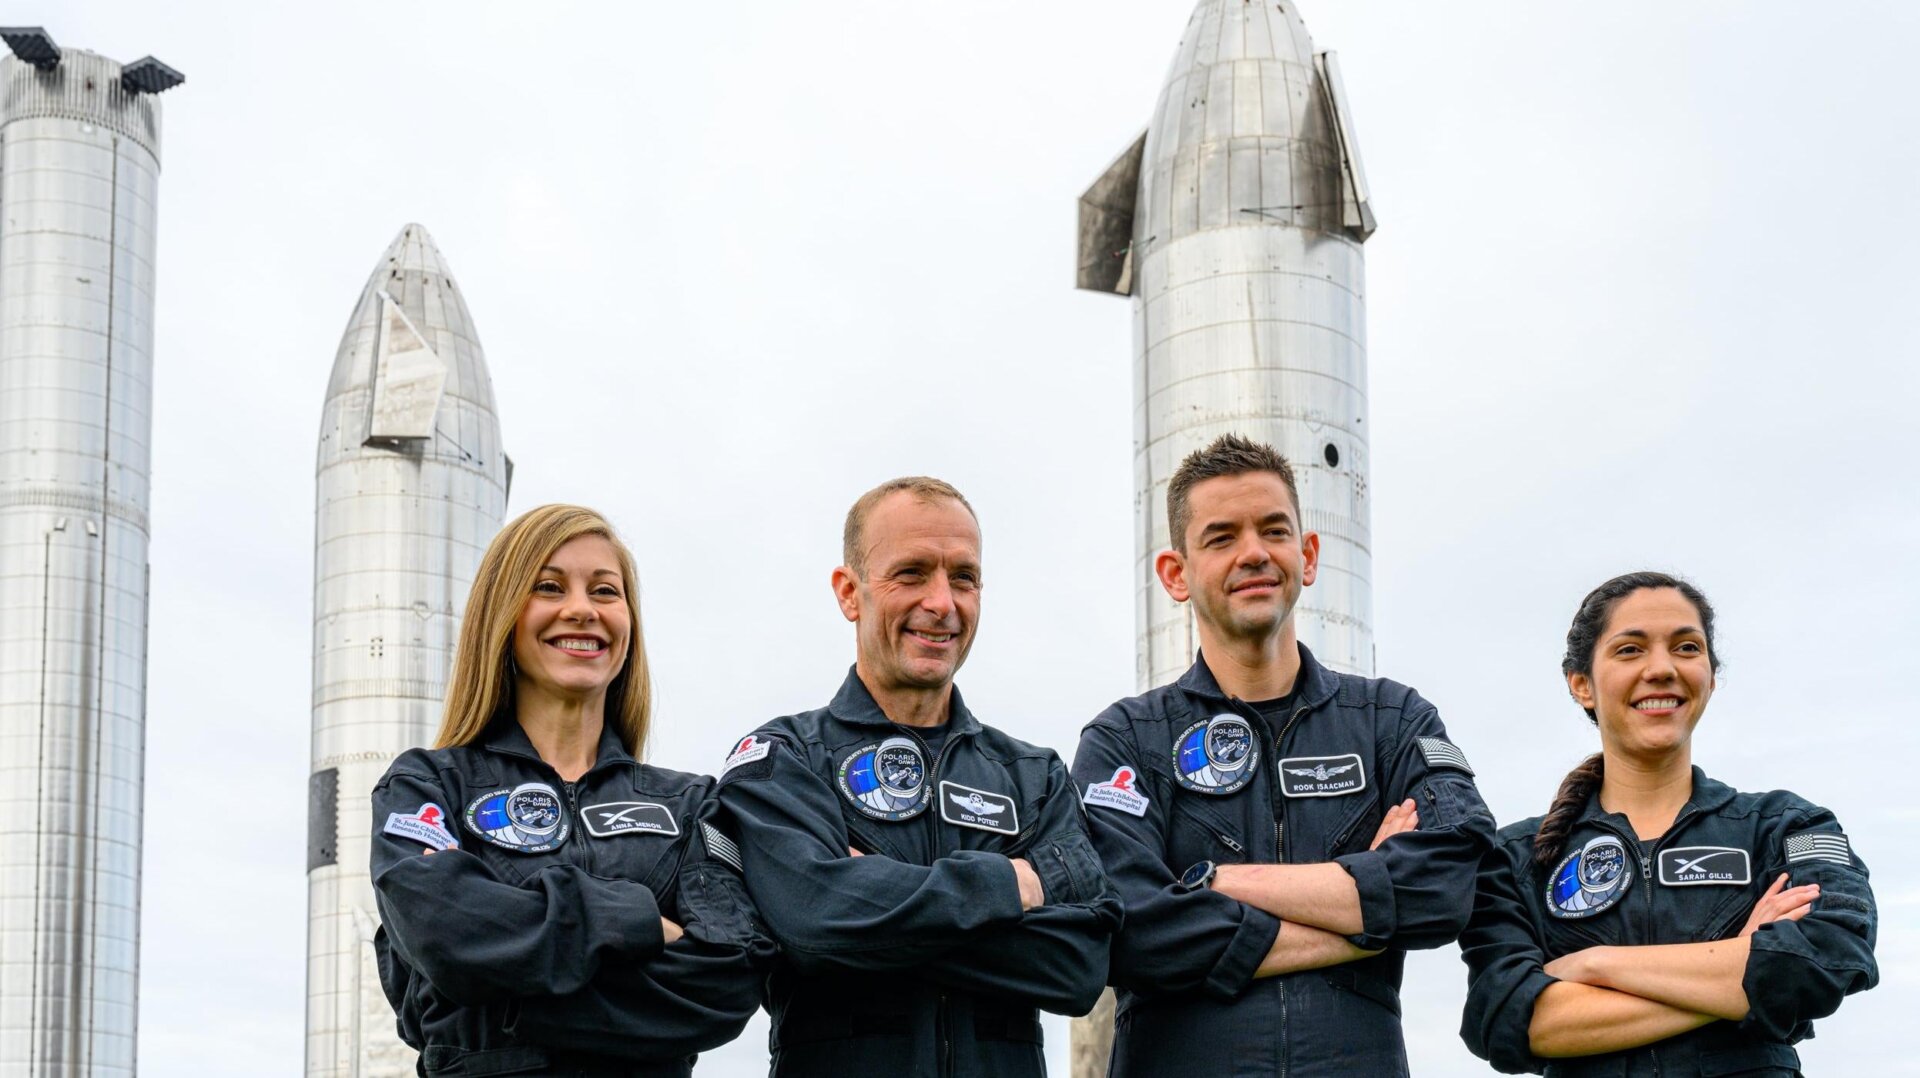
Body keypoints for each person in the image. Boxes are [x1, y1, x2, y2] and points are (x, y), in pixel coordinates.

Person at [1070, 434, 1495, 1077]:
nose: (1254, 553)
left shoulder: (1391, 719)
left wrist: (1214, 882)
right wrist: (1364, 919)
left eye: (1274, 530)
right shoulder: (1126, 739)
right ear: (1176, 575)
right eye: (1221, 538)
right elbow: (1130, 932)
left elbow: (1443, 888)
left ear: (1308, 554)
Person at [716, 477, 1123, 1078]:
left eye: (964, 577)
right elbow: (814, 922)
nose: (942, 602)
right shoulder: (785, 759)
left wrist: (875, 905)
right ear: (849, 592)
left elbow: (1078, 968)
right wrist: (1013, 885)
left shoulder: (1033, 776)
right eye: (911, 573)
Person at [371, 505, 771, 1077]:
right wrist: (635, 920)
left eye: (605, 591)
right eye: (549, 587)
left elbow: (727, 980)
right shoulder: (428, 786)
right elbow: (442, 932)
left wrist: (500, 1000)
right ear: (502, 615)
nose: (582, 610)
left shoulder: (690, 805)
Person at [1458, 571, 1878, 1075]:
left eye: (1686, 647)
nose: (1661, 668)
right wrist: (1738, 964)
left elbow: (1825, 959)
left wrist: (1594, 965)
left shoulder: (1788, 827)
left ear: (1711, 677)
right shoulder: (1514, 858)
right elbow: (1512, 1020)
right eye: (1630, 650)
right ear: (1582, 685)